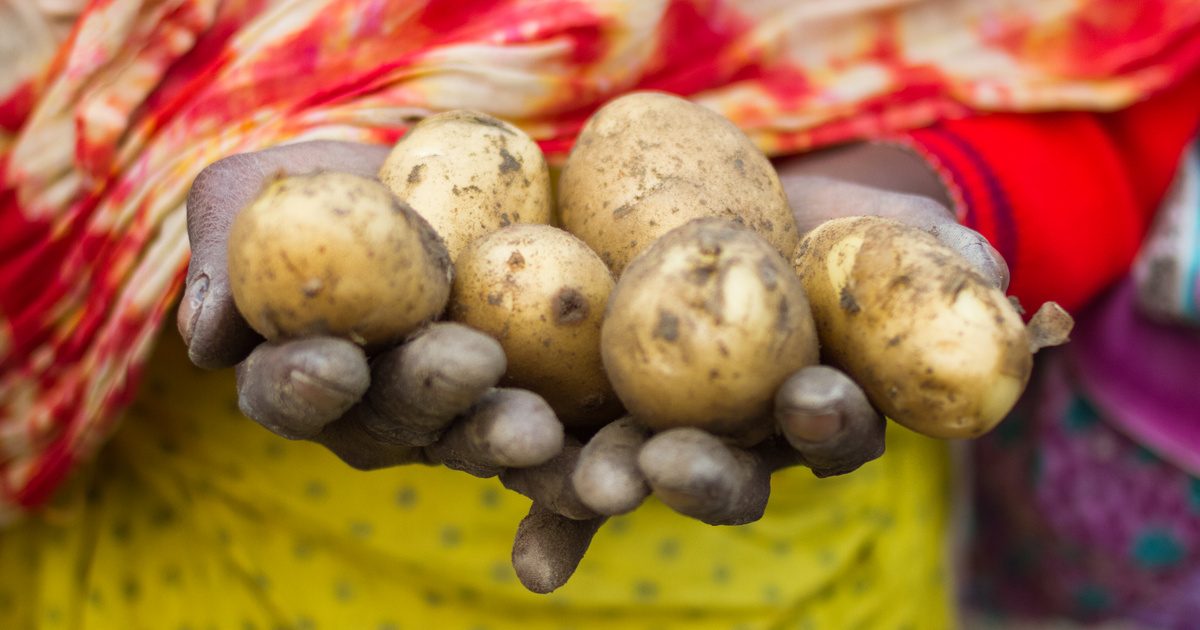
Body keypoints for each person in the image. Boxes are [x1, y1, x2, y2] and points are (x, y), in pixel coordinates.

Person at [2, 1, 1199, 628]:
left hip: (785, 565)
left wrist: (910, 194)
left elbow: (1128, 55)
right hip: (197, 526)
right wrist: (203, 189)